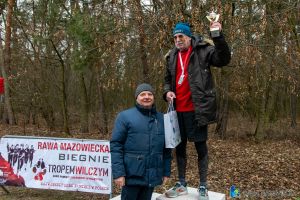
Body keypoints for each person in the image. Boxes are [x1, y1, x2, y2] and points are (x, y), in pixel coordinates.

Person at [163, 21, 231, 200]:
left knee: (201, 147)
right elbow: (167, 80)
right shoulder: (171, 56)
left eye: (181, 36)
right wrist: (167, 92)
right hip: (177, 112)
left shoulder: (203, 50)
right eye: (175, 37)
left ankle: (203, 186)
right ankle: (182, 184)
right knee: (180, 147)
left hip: (197, 110)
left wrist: (217, 35)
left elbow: (224, 59)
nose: (178, 40)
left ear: (189, 36)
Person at [111, 83, 172, 200]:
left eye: (150, 94)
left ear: (153, 97)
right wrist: (119, 173)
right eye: (142, 94)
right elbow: (116, 146)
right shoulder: (125, 117)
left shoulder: (162, 119)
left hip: (152, 176)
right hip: (131, 176)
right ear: (136, 98)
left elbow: (167, 149)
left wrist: (166, 172)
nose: (146, 97)